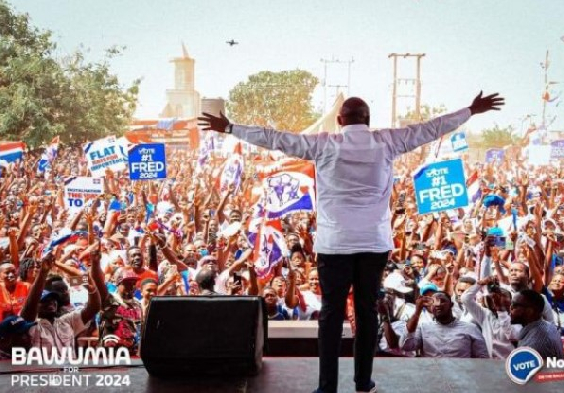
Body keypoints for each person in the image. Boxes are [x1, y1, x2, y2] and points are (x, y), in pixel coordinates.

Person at [200, 91, 504, 393]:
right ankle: (362, 382)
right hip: (373, 242)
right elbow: (431, 128)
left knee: (331, 313)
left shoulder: (324, 143)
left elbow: (277, 138)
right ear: (368, 121)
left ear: (339, 120)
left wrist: (230, 128)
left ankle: (327, 386)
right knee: (366, 311)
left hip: (334, 244)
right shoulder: (387, 141)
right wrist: (470, 110)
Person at [399, 291, 489, 358]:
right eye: (434, 302)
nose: (438, 304)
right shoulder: (423, 328)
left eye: (442, 301)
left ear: (451, 305)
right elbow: (406, 346)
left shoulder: (470, 328)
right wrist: (417, 311)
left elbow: (482, 358)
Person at [511, 289, 564, 359]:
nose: (510, 308)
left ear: (530, 311)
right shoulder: (546, 325)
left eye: (515, 306)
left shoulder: (534, 346)